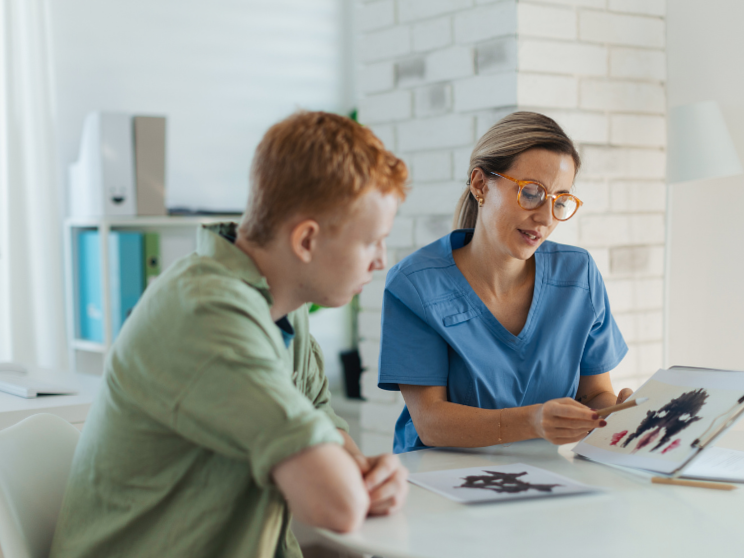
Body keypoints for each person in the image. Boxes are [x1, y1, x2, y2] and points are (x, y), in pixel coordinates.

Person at [50, 111, 410, 558]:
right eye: (372, 241)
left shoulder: (283, 307)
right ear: (306, 242)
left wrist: (373, 478)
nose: (381, 261)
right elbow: (335, 504)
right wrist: (350, 484)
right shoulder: (207, 314)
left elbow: (331, 445)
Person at [377, 111, 631, 454]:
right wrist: (532, 421)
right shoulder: (416, 284)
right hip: (440, 479)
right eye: (531, 193)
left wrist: (613, 412)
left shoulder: (578, 274)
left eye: (560, 201)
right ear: (481, 184)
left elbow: (594, 394)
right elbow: (431, 422)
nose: (545, 217)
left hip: (543, 475)